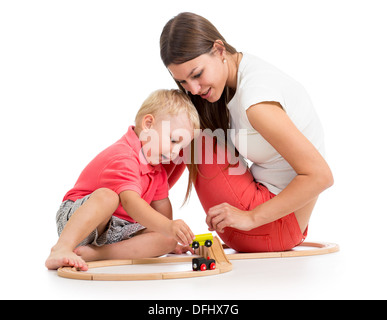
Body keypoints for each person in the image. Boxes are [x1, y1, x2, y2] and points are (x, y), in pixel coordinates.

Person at [159, 12, 334, 252]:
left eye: (197, 75)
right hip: (278, 221)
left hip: (268, 226)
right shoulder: (243, 70)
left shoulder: (257, 104)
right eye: (183, 82)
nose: (193, 89)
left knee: (185, 125)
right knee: (185, 119)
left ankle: (132, 210)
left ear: (219, 50)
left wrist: (250, 218)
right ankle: (136, 209)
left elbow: (321, 176)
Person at [45, 89, 198, 270]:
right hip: (79, 220)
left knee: (167, 239)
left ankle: (97, 254)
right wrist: (168, 226)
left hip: (118, 229)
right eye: (173, 141)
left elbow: (162, 209)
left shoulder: (157, 170)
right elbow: (131, 203)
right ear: (148, 124)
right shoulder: (124, 156)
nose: (175, 152)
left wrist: (173, 235)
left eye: (181, 147)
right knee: (108, 197)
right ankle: (62, 247)